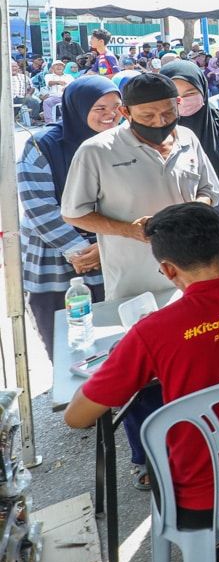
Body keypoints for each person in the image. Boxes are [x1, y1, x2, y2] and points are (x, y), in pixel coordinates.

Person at [64, 202, 219, 562]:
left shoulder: (151, 333)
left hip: (200, 495)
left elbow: (77, 417)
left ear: (167, 270)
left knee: (204, 440)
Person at [61, 72, 219, 301]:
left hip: (193, 277)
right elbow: (73, 214)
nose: (160, 122)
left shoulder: (188, 138)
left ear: (178, 104)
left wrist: (191, 214)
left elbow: (209, 190)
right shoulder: (96, 151)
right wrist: (129, 230)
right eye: (147, 116)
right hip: (133, 284)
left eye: (168, 113)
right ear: (125, 112)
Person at [18, 77, 119, 355]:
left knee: (113, 345)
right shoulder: (41, 146)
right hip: (57, 262)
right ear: (77, 107)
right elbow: (40, 208)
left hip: (110, 255)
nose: (111, 114)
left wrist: (106, 248)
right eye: (100, 108)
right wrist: (82, 252)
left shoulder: (122, 144)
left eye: (117, 106)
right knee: (66, 349)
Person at [162, 60, 219, 264]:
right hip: (176, 239)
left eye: (190, 93)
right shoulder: (155, 132)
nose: (183, 101)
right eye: (175, 95)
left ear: (203, 90)